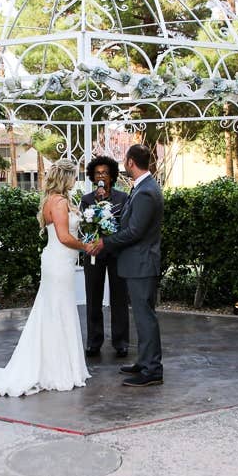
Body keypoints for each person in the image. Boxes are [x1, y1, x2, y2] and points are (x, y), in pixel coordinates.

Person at [0, 158, 90, 396]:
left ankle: (61, 366)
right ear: (66, 177)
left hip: (61, 262)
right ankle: (57, 369)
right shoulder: (58, 203)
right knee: (57, 310)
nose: (75, 180)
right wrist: (87, 246)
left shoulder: (59, 201)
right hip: (59, 261)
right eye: (73, 176)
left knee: (57, 309)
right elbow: (63, 237)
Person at [88, 145, 164, 387]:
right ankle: (144, 361)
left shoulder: (145, 191)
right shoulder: (144, 187)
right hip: (138, 263)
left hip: (141, 264)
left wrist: (105, 242)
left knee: (145, 317)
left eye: (125, 161)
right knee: (143, 316)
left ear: (131, 162)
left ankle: (152, 369)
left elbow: (135, 231)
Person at [80, 155, 130, 359]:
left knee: (119, 299)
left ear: (112, 176)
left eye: (105, 173)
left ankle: (121, 342)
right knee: (93, 298)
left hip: (116, 254)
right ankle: (94, 342)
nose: (101, 176)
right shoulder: (87, 200)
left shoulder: (122, 198)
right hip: (94, 255)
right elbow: (84, 227)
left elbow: (126, 226)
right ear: (93, 176)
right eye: (98, 173)